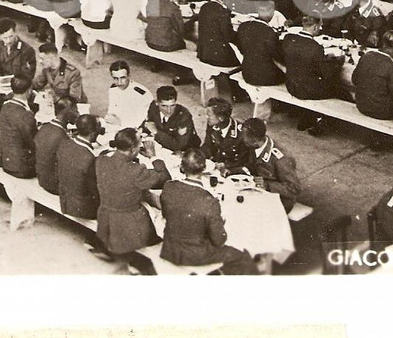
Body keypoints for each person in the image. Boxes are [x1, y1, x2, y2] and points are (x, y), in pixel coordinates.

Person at [159, 149, 259, 274]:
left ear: (181, 168)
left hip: (169, 250)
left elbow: (166, 215)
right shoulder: (210, 201)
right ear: (204, 168)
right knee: (243, 255)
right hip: (195, 256)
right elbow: (219, 240)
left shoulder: (168, 186)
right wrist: (220, 223)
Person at [95, 128, 171, 273]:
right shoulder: (136, 171)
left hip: (105, 216)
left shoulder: (101, 160)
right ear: (133, 149)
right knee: (157, 214)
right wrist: (153, 156)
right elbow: (165, 179)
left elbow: (117, 170)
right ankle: (139, 262)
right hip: (130, 221)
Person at [241, 117, 301, 212]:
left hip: (279, 200)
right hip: (259, 191)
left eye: (244, 137)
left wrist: (267, 185)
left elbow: (294, 189)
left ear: (254, 140)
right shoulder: (254, 146)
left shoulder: (281, 159)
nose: (242, 139)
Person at [56, 113, 104, 223]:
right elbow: (95, 190)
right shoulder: (89, 158)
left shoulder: (64, 144)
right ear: (94, 132)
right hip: (83, 208)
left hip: (65, 201)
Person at [352, 30, 393, 120]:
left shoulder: (366, 56)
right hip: (380, 111)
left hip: (361, 105)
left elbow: (354, 80)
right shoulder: (392, 67)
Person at [35, 96, 79, 195]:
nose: (78, 114)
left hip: (42, 179)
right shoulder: (62, 137)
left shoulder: (45, 127)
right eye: (75, 111)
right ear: (67, 112)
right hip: (54, 185)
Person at [0, 75, 38, 179]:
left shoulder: (5, 107)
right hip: (22, 167)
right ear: (29, 91)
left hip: (5, 162)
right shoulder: (26, 115)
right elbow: (34, 142)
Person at [142, 85, 201, 152]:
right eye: (164, 106)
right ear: (157, 103)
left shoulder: (184, 116)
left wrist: (156, 132)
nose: (169, 110)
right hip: (162, 145)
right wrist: (141, 129)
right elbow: (149, 123)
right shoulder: (153, 107)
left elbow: (179, 145)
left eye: (172, 105)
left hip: (185, 150)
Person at [236, 4, 283, 87]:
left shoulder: (243, 26)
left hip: (247, 73)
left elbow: (240, 48)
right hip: (268, 77)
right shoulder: (269, 32)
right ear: (271, 14)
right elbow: (277, 56)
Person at [200, 97, 251, 175]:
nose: (206, 117)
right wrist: (199, 157)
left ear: (221, 118)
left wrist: (225, 165)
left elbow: (245, 159)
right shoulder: (212, 124)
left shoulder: (241, 133)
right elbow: (208, 145)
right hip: (215, 165)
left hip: (233, 170)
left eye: (209, 115)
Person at [196, 0, 239, 68]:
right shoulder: (222, 12)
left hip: (204, 54)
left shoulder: (204, 7)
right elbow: (229, 36)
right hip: (219, 58)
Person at [104, 61, 153, 129]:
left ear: (129, 76)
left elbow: (141, 122)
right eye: (115, 78)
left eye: (123, 78)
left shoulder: (142, 95)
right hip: (115, 126)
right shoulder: (113, 89)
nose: (119, 82)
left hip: (133, 129)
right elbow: (111, 111)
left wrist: (120, 123)